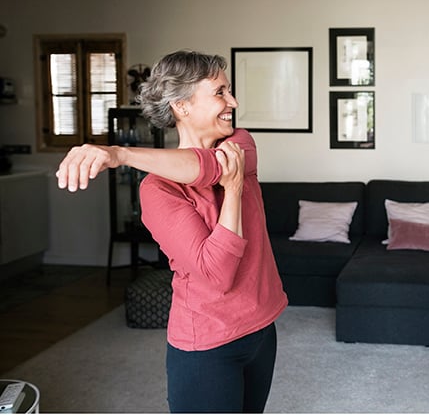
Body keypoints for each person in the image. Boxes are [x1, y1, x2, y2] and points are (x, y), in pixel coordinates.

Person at [56, 50, 288, 413]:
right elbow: (217, 272)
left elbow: (206, 168)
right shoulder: (157, 190)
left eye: (229, 91)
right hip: (208, 344)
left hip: (261, 329)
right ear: (181, 106)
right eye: (220, 93)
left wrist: (120, 154)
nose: (233, 102)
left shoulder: (241, 143)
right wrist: (234, 190)